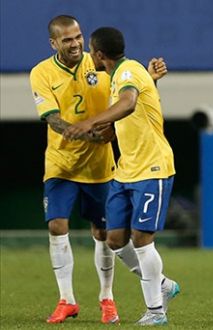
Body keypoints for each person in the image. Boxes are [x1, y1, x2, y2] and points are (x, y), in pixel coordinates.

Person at [29, 15, 169, 324]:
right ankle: (67, 299)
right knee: (56, 226)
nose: (76, 43)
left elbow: (128, 93)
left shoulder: (101, 63)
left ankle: (107, 298)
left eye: (78, 36)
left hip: (100, 165)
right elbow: (52, 118)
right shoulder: (41, 73)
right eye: (67, 39)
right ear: (54, 43)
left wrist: (150, 79)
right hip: (61, 164)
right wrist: (86, 131)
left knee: (106, 234)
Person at [63, 26, 179, 326]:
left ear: (99, 54)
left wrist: (90, 122)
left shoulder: (128, 72)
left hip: (152, 167)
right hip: (125, 169)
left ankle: (156, 311)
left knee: (142, 238)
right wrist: (107, 131)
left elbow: (128, 104)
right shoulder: (121, 76)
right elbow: (134, 105)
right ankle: (163, 284)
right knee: (115, 240)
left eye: (90, 49)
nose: (89, 54)